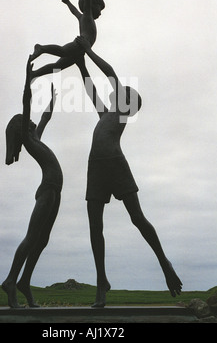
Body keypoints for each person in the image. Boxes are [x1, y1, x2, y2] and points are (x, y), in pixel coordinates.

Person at [76, 35, 182, 308]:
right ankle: (102, 282)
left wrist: (87, 50)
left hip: (115, 163)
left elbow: (110, 73)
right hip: (95, 166)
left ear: (128, 103)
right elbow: (91, 92)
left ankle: (164, 263)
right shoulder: (106, 114)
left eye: (121, 94)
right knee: (94, 226)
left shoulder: (121, 113)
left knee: (137, 218)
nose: (115, 94)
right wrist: (80, 65)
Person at [2, 56, 63, 308]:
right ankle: (10, 280)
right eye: (28, 120)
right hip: (47, 189)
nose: (33, 120)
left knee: (43, 239)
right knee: (31, 237)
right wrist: (29, 79)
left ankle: (24, 281)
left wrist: (52, 101)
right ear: (23, 127)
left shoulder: (36, 137)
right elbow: (26, 102)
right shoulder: (28, 141)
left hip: (55, 189)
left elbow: (46, 117)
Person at [30, 0, 105, 81]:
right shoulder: (87, 15)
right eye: (100, 8)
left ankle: (34, 74)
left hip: (81, 51)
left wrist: (67, 2)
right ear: (91, 4)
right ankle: (41, 48)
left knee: (57, 67)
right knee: (62, 51)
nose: (100, 13)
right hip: (80, 45)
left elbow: (74, 10)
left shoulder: (82, 17)